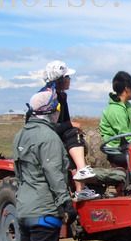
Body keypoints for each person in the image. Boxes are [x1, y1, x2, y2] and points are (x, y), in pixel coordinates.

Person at [11, 88, 78, 241]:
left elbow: (19, 175)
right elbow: (54, 175)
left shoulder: (20, 135)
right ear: (52, 111)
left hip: (25, 209)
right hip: (44, 210)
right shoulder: (49, 139)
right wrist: (66, 204)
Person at [38, 60, 98, 201]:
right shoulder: (47, 98)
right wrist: (71, 125)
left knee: (74, 135)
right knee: (73, 133)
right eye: (67, 77)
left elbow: (64, 121)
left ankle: (80, 189)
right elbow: (47, 125)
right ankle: (82, 172)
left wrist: (70, 125)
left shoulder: (61, 96)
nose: (69, 80)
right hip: (45, 135)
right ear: (59, 80)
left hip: (57, 134)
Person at [99, 71, 131, 150]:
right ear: (127, 88)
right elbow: (125, 134)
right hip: (115, 147)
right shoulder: (116, 109)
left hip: (123, 143)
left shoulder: (125, 107)